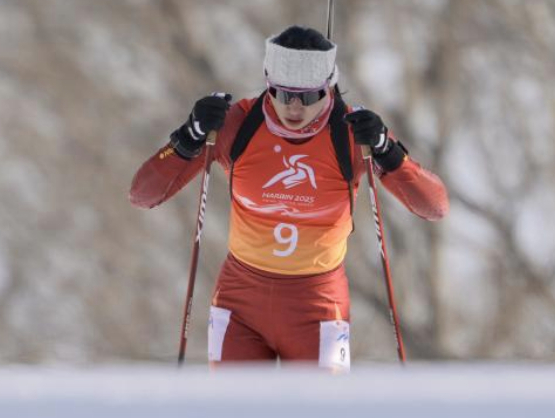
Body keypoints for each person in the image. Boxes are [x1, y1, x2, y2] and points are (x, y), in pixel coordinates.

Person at [130, 25, 448, 370]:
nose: (294, 108)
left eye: (309, 96)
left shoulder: (352, 133)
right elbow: (143, 195)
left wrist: (388, 151)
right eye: (282, 94)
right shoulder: (238, 125)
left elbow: (433, 206)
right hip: (241, 302)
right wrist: (189, 136)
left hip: (318, 306)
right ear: (268, 81)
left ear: (328, 86)